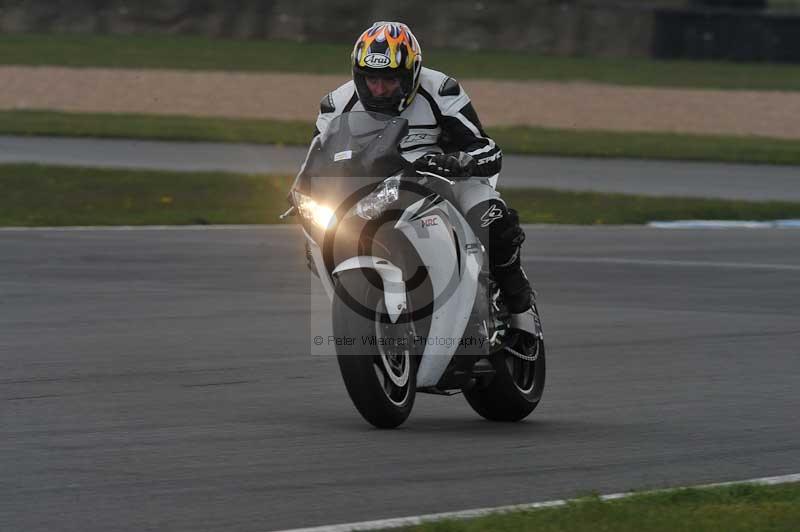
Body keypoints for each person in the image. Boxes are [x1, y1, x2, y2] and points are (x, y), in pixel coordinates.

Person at [311, 20, 533, 314]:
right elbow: (317, 161)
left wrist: (462, 162)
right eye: (370, 79)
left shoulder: (440, 90)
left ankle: (513, 289)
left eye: (389, 80)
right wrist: (306, 191)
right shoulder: (336, 104)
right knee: (318, 234)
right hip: (373, 191)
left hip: (443, 179)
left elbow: (483, 144)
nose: (378, 89)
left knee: (490, 220)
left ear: (412, 73)